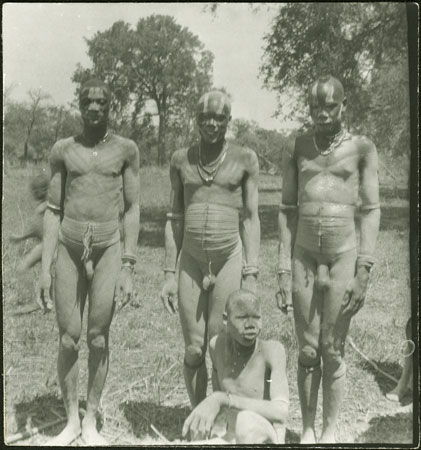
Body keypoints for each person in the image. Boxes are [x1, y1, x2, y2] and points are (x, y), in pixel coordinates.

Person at [276, 75, 380, 443]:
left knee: (332, 349)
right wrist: (283, 266)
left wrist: (364, 269)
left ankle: (330, 429)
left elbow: (370, 209)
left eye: (330, 107)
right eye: (316, 107)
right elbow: (287, 209)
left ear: (343, 106)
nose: (322, 114)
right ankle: (306, 429)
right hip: (304, 253)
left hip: (343, 255)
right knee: (306, 348)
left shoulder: (362, 148)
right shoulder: (298, 146)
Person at [39, 78, 140, 445]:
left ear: (111, 106)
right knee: (68, 337)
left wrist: (128, 264)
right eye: (88, 101)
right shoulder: (64, 150)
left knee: (98, 337)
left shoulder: (126, 149)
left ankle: (92, 418)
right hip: (69, 245)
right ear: (79, 105)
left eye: (102, 102)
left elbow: (132, 208)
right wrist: (44, 267)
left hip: (108, 247)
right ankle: (70, 420)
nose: (94, 107)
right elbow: (52, 210)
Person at [160, 91, 260, 408]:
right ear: (197, 119)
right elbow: (174, 218)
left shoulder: (245, 159)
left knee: (219, 343)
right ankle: (198, 413)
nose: (211, 124)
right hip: (191, 261)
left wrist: (251, 272)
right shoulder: (181, 159)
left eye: (218, 118)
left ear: (228, 121)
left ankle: (222, 417)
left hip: (228, 257)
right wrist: (167, 273)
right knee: (193, 347)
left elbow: (251, 218)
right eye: (205, 117)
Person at [181, 289, 289, 444]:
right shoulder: (216, 346)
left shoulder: (272, 351)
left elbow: (281, 412)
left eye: (256, 318)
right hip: (232, 437)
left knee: (246, 421)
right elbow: (219, 393)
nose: (251, 325)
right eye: (242, 318)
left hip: (263, 435)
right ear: (226, 320)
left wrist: (224, 399)